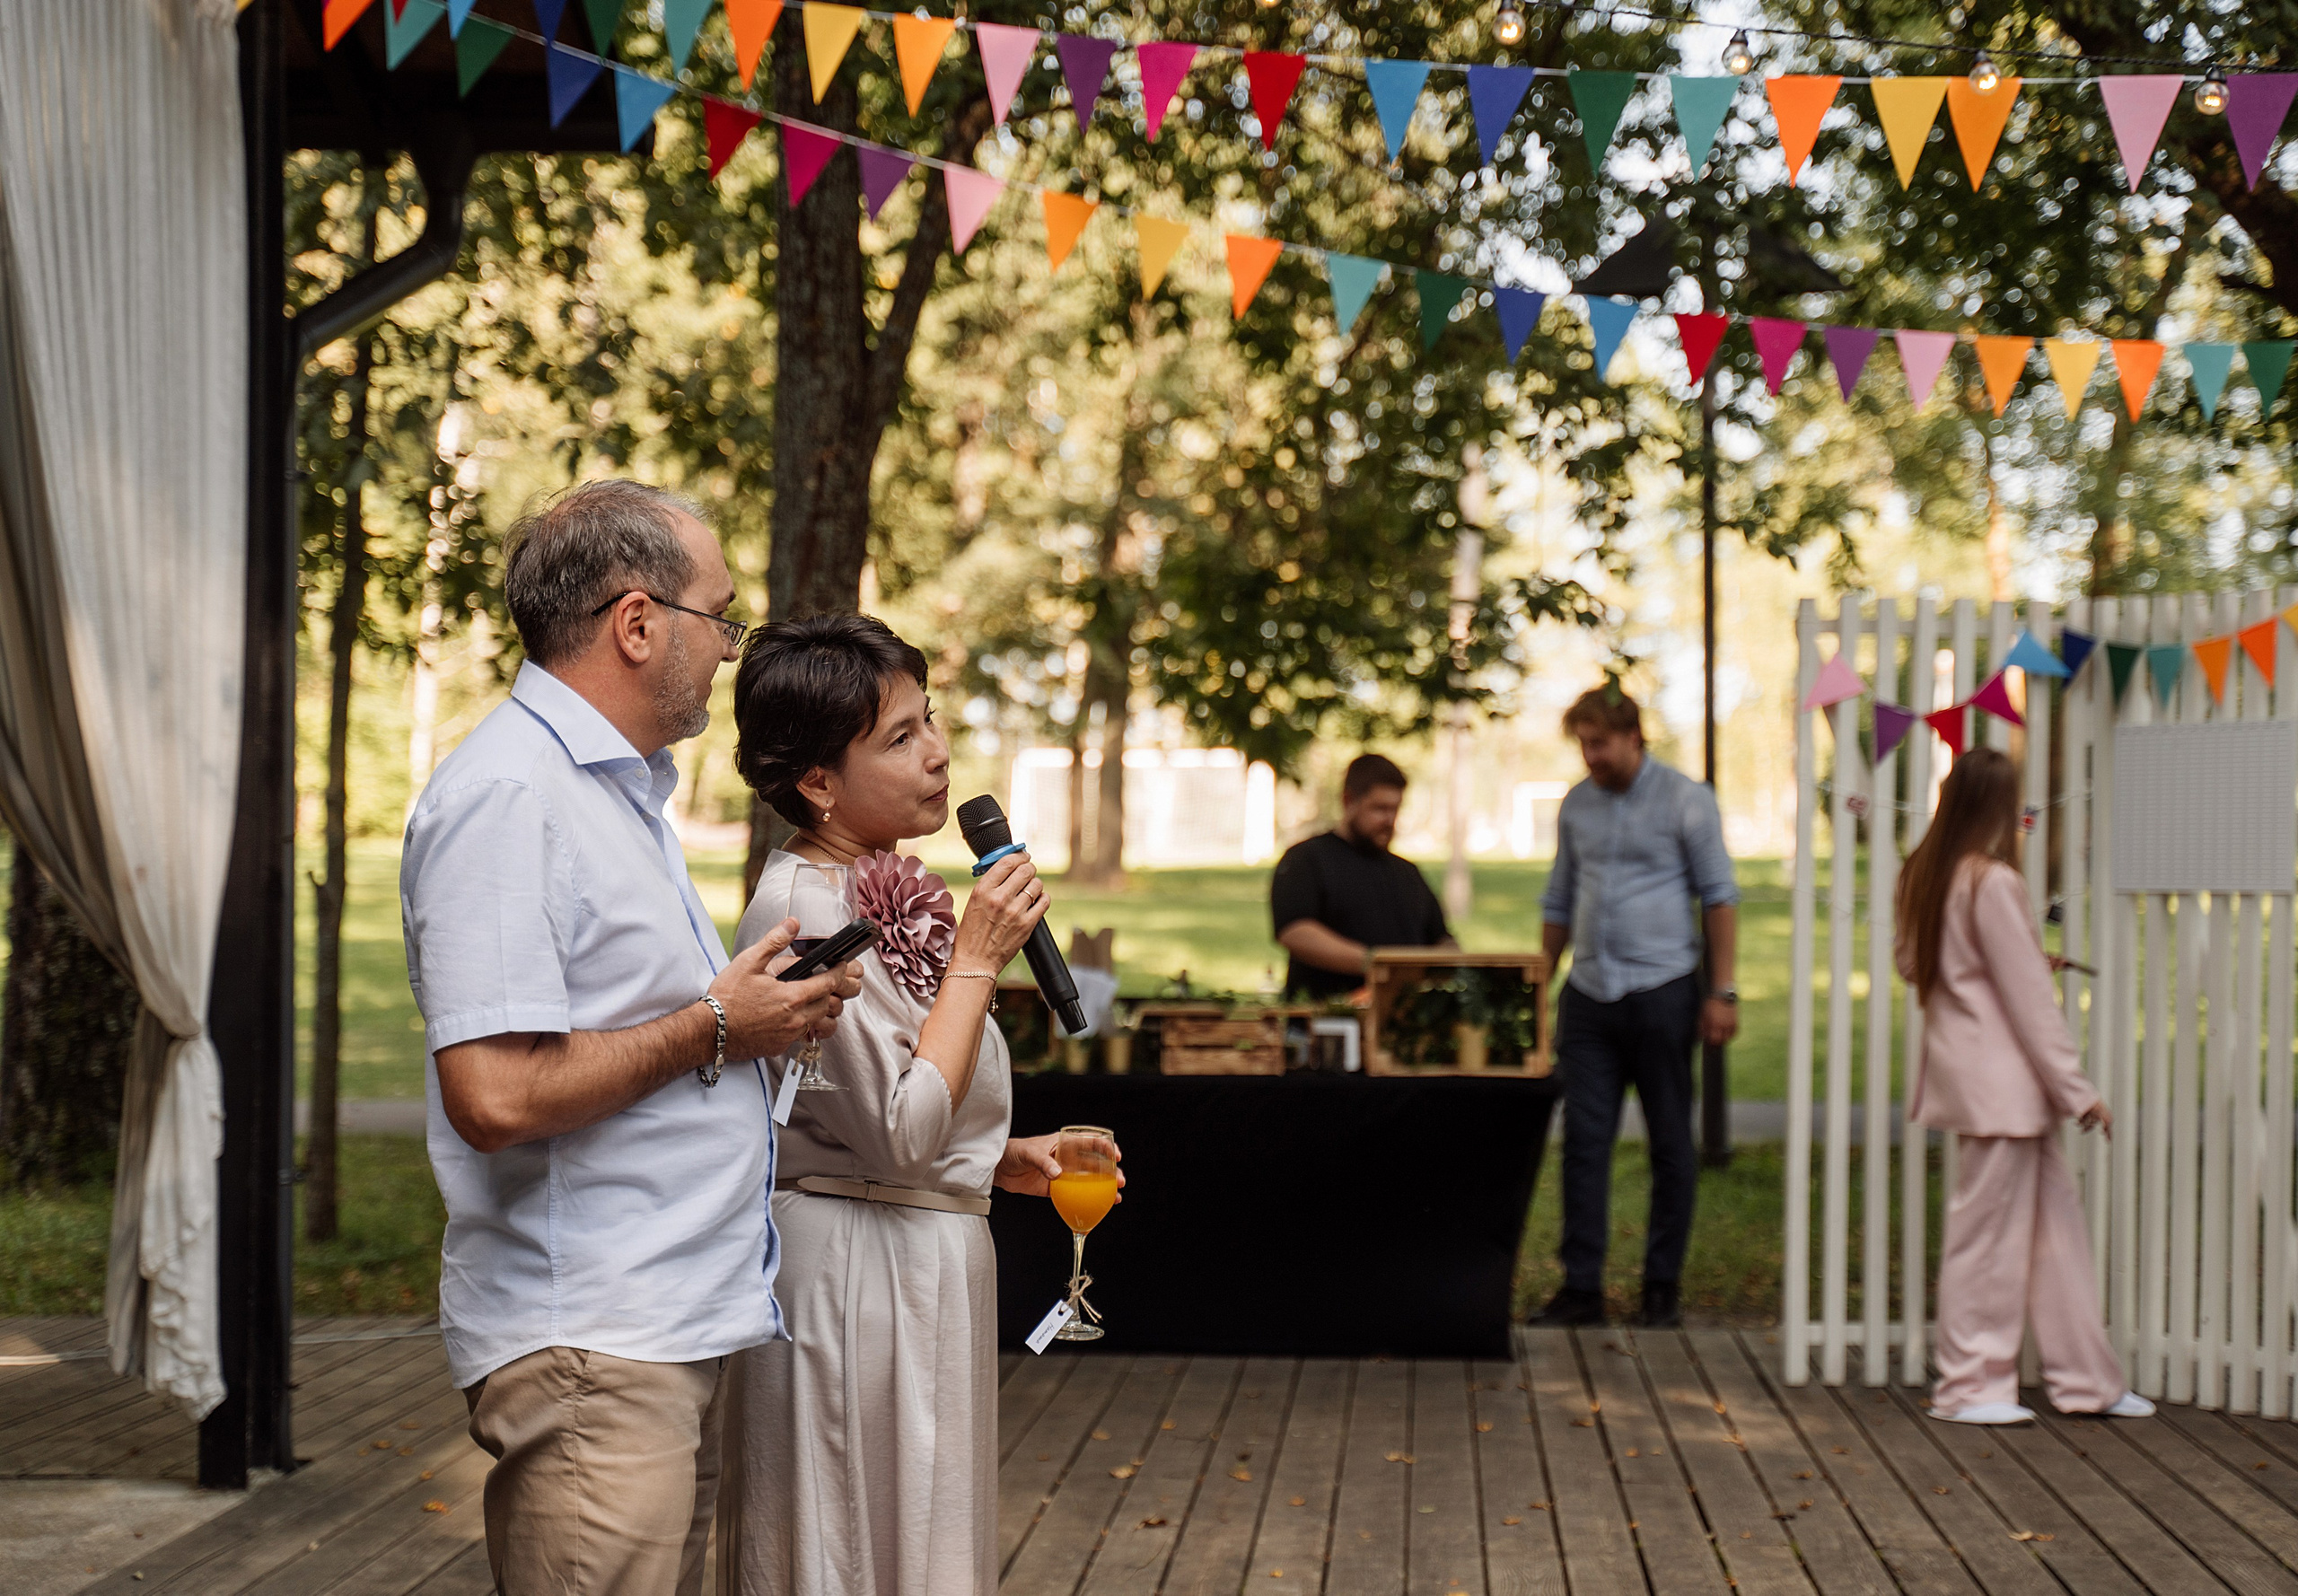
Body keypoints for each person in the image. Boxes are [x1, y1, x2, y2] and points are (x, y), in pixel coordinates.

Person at [399, 480, 862, 1596]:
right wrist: (717, 1022)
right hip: (590, 1346)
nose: (729, 652)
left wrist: (744, 1023)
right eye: (723, 619)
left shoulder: (607, 793)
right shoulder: (512, 795)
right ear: (638, 621)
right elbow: (495, 1094)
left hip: (649, 1334)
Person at [719, 612, 1123, 1596]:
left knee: (913, 1539)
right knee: (857, 1546)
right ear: (817, 781)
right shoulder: (811, 909)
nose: (939, 754)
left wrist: (1001, 1155)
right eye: (900, 736)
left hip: (915, 1255)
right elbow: (896, 1138)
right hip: (859, 1272)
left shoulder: (869, 880)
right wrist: (978, 957)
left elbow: (885, 1112)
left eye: (930, 720)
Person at [1894, 748, 2151, 1424]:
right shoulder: (1992, 881)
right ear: (1999, 808)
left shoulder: (1923, 874)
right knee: (1987, 1241)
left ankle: (2086, 1381)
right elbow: (2030, 1000)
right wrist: (2078, 1089)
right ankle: (1968, 1387)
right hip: (2002, 1087)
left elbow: (1918, 966)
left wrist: (2015, 958)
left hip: (1981, 1080)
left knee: (2053, 1237)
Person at [1531, 686, 1739, 1329]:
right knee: (1584, 1142)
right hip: (1588, 996)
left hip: (1664, 991)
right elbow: (1560, 899)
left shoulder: (1686, 800)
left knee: (1671, 1141)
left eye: (1599, 743)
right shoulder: (1576, 806)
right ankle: (1582, 1288)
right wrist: (1539, 989)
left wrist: (1721, 991)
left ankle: (1660, 1287)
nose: (1590, 756)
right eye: (1583, 744)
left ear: (1632, 737)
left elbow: (1720, 897)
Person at [1269, 752, 1452, 1000]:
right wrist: (1376, 965)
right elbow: (1295, 931)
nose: (1389, 820)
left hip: (1403, 1021)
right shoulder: (1306, 860)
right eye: (1379, 808)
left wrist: (1457, 967)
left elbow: (1440, 938)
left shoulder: (1407, 873)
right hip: (1327, 1020)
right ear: (1348, 800)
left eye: (1395, 809)